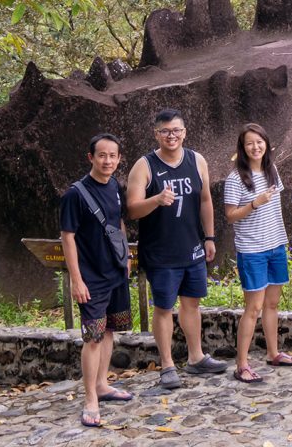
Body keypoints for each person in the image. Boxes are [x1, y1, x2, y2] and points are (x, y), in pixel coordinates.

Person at [127, 109, 228, 389]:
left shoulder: (197, 160)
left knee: (192, 303)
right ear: (156, 134)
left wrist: (209, 237)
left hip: (192, 247)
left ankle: (196, 358)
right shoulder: (144, 165)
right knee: (163, 307)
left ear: (184, 132)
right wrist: (156, 200)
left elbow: (205, 200)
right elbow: (132, 209)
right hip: (160, 251)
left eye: (176, 131)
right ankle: (167, 364)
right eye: (165, 131)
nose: (171, 136)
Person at [60, 133, 135, 427]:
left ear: (118, 159)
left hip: (115, 272)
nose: (108, 161)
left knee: (109, 331)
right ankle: (90, 397)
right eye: (102, 155)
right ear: (90, 157)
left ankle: (103, 384)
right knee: (92, 337)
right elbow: (68, 238)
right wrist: (76, 280)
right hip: (91, 278)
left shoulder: (115, 186)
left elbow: (118, 222)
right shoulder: (74, 194)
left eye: (113, 156)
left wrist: (126, 256)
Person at [223, 124, 292, 383]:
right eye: (250, 143)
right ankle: (241, 364)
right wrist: (253, 204)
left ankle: (273, 352)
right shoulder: (236, 178)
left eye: (259, 142)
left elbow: (275, 210)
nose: (255, 147)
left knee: (272, 304)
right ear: (242, 148)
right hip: (252, 249)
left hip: (275, 244)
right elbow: (230, 216)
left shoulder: (271, 171)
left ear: (266, 144)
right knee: (253, 307)